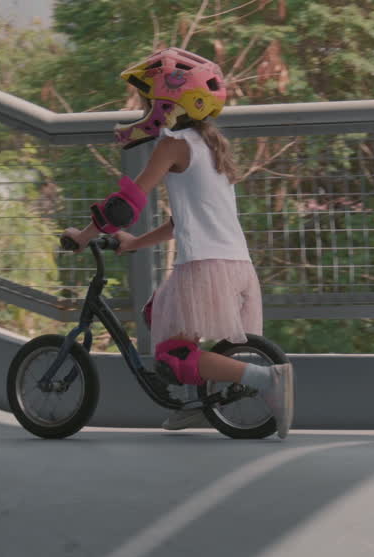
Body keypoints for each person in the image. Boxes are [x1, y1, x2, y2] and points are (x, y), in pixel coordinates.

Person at [61, 46, 293, 439]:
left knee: (173, 355)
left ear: (171, 101)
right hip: (236, 266)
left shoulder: (173, 145)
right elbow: (179, 222)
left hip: (205, 266)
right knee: (160, 313)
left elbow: (124, 205)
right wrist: (133, 245)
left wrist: (83, 236)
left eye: (148, 99)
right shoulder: (209, 147)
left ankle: (266, 379)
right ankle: (196, 406)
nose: (145, 108)